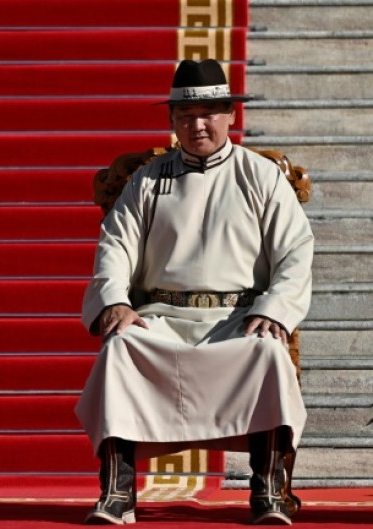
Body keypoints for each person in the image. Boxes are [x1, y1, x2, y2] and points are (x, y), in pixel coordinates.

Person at [75, 59, 313, 525]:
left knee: (268, 352)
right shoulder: (147, 180)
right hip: (161, 319)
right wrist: (116, 302)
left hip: (237, 320)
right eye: (185, 116)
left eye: (208, 114)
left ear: (230, 115)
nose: (197, 125)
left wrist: (275, 309)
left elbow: (295, 251)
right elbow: (115, 245)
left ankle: (267, 491)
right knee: (120, 349)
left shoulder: (260, 176)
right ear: (172, 120)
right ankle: (118, 491)